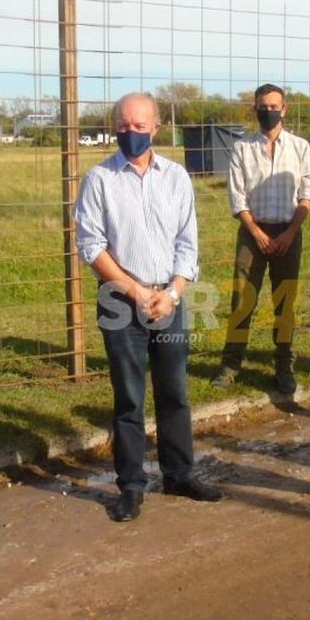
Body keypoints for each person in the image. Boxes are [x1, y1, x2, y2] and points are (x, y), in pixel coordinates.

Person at [74, 92, 224, 523]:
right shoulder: (99, 179)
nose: (131, 133)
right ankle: (132, 486)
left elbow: (187, 243)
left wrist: (172, 292)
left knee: (175, 393)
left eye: (140, 126)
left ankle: (180, 474)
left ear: (157, 128)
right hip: (119, 300)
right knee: (129, 398)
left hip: (170, 299)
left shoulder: (176, 177)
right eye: (123, 125)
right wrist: (136, 291)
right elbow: (91, 244)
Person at [214, 83, 310, 395]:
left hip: (289, 231)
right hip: (252, 232)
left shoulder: (300, 148)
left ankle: (284, 365)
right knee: (242, 299)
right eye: (263, 106)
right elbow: (237, 196)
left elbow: (308, 191)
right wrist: (257, 233)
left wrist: (290, 232)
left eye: (274, 106)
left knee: (285, 302)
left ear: (284, 109)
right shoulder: (242, 148)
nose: (269, 111)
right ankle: (231, 364)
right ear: (255, 109)